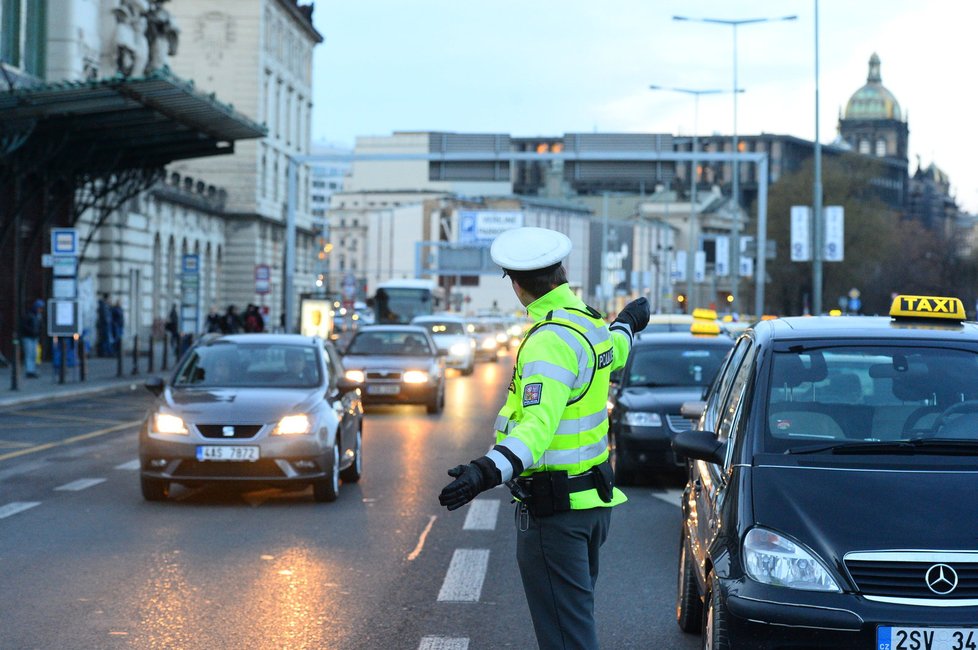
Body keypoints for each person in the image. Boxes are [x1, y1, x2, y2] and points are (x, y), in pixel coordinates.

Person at [438, 227, 649, 650]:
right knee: (574, 621)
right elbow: (615, 353)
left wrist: (484, 472)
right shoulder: (589, 323)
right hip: (591, 506)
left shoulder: (548, 342)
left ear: (517, 286)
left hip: (556, 515)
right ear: (562, 272)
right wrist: (627, 324)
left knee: (566, 638)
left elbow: (536, 429)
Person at [19, 299, 45, 379]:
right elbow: (24, 325)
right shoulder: (29, 315)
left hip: (34, 337)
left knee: (34, 354)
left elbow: (40, 326)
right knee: (29, 354)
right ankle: (29, 371)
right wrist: (31, 331)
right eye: (40, 308)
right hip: (28, 337)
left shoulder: (38, 316)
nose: (40, 310)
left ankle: (32, 370)